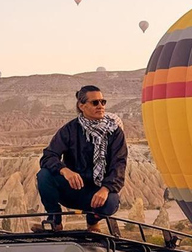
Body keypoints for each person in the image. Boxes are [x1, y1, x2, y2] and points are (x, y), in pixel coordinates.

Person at [32, 85, 127, 232]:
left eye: (103, 102)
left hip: (97, 193)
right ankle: (55, 221)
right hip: (72, 188)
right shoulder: (70, 130)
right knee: (44, 175)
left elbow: (119, 165)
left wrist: (106, 189)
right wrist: (65, 170)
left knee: (111, 202)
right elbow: (48, 156)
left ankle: (92, 222)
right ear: (81, 106)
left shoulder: (114, 132)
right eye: (95, 103)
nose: (100, 106)